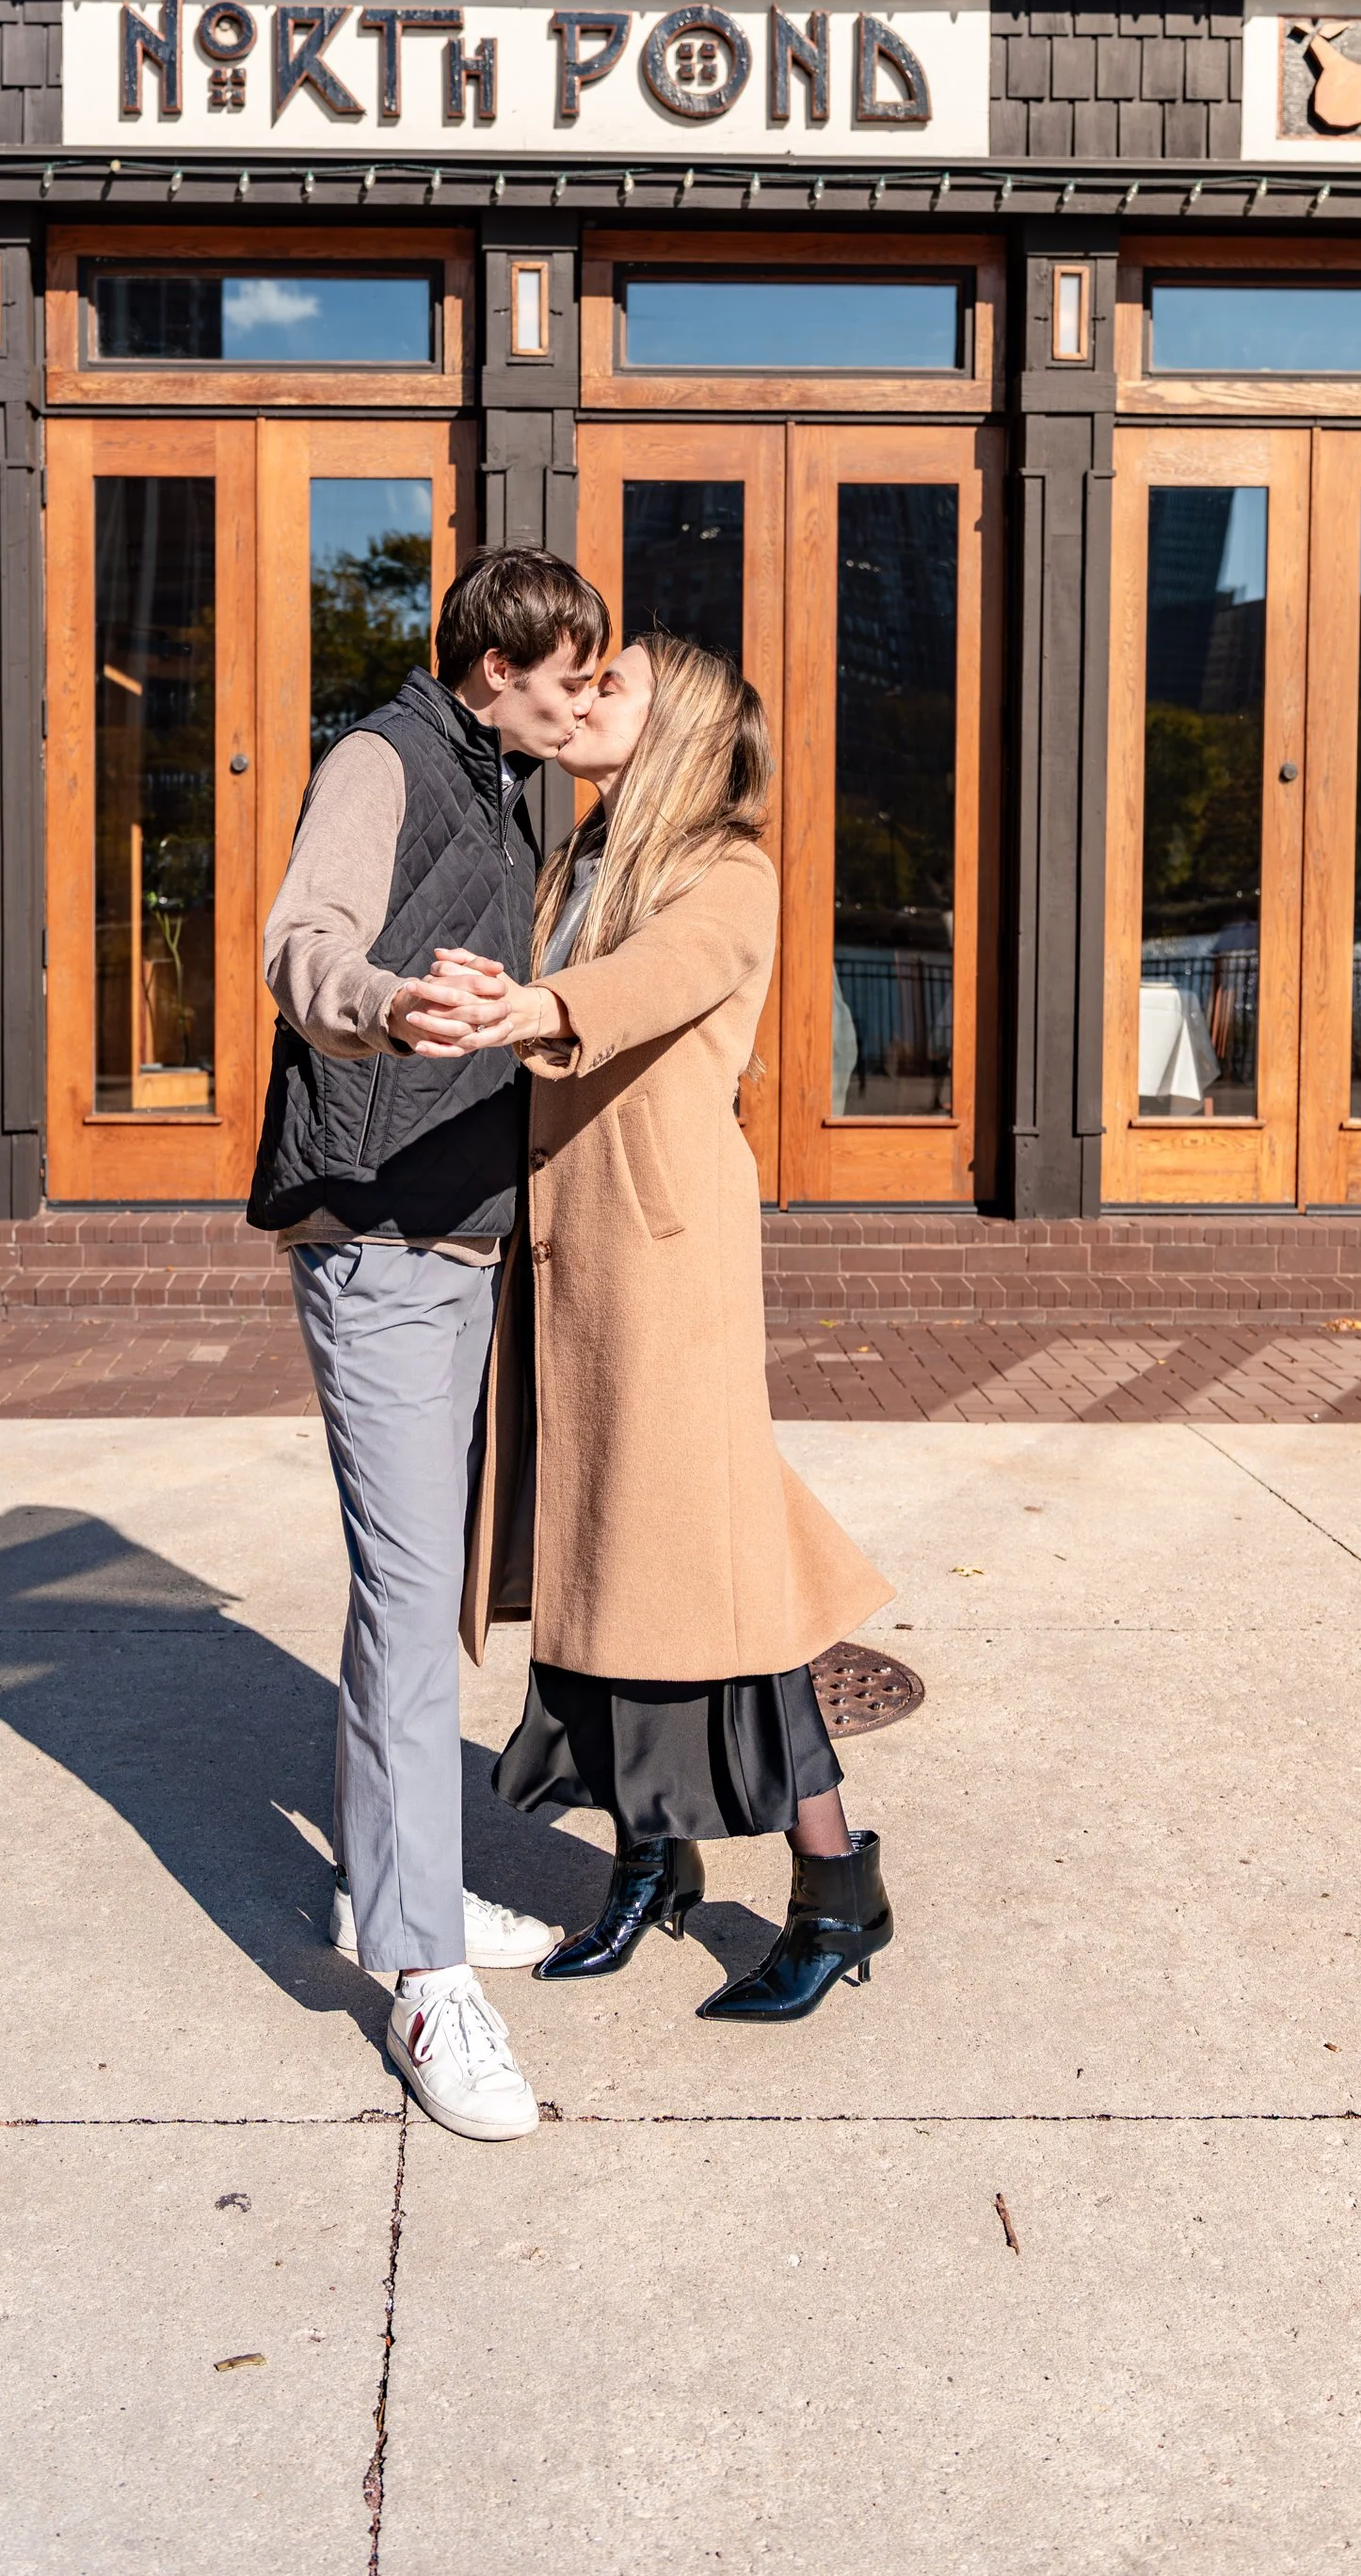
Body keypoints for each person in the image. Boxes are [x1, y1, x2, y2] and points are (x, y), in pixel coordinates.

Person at [431, 631, 898, 2023]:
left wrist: (536, 1005)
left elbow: (659, 980)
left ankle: (835, 1892)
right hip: (568, 1261)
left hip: (665, 1265)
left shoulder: (725, 871)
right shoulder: (580, 856)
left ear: (678, 722)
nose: (584, 697)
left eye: (613, 683)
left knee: (726, 1588)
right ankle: (651, 1860)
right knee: (604, 1568)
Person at [248, 546, 608, 2145]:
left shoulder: (504, 784)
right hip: (381, 1232)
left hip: (459, 1232)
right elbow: (299, 945)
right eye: (567, 679)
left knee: (407, 1589)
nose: (581, 705)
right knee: (408, 1601)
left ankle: (402, 1889)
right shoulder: (382, 760)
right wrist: (388, 1004)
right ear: (493, 671)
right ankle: (420, 1977)